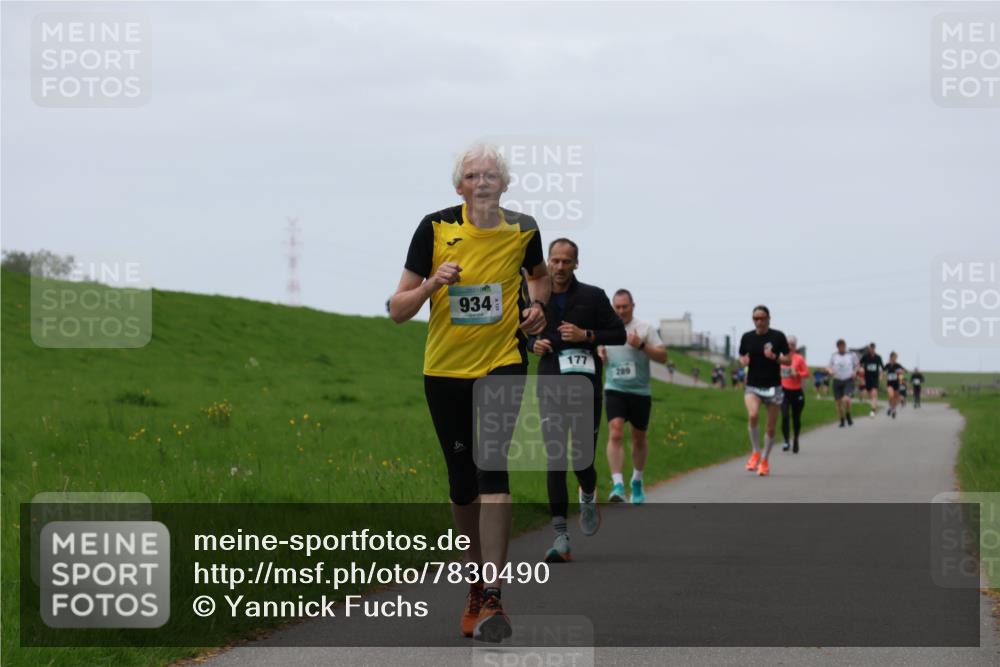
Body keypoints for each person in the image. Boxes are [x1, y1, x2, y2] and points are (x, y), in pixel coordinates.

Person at [389, 143, 550, 643]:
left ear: (505, 184)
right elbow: (397, 309)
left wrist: (537, 308)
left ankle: (496, 595)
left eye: (491, 175)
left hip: (502, 364)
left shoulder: (523, 229)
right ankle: (475, 587)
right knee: (462, 483)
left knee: (494, 469)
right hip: (445, 371)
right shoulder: (434, 227)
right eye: (473, 176)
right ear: (459, 186)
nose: (482, 183)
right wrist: (433, 283)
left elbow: (540, 279)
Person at [529, 238, 625, 563]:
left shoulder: (593, 296)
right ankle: (560, 537)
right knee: (555, 458)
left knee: (581, 461)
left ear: (576, 264)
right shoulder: (534, 298)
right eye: (554, 261)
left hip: (585, 388)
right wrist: (533, 345)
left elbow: (619, 334)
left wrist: (588, 336)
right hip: (550, 386)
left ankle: (587, 493)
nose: (558, 267)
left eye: (565, 261)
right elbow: (517, 331)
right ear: (547, 261)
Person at [598, 289, 668, 504]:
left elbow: (663, 357)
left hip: (639, 391)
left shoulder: (645, 328)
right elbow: (598, 349)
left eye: (624, 307)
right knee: (616, 432)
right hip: (614, 388)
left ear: (632, 306)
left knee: (638, 438)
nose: (621, 311)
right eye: (617, 307)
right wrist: (599, 353)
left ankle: (637, 480)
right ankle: (617, 484)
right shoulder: (606, 328)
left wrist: (642, 345)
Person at [738, 305, 791, 477]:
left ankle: (765, 460)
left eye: (762, 318)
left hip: (773, 387)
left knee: (770, 427)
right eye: (756, 318)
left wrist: (775, 358)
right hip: (753, 385)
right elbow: (742, 356)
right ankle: (755, 452)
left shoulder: (778, 336)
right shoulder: (747, 337)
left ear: (769, 318)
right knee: (753, 415)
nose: (759, 321)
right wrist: (743, 361)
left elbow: (788, 360)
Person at [780, 336, 810, 453]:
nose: (790, 346)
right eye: (788, 344)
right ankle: (786, 441)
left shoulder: (799, 359)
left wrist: (797, 373)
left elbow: (806, 373)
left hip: (797, 391)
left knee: (796, 418)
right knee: (785, 416)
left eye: (792, 344)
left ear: (795, 346)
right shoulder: (781, 358)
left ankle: (796, 439)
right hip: (784, 391)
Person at [827, 339, 859, 428]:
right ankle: (842, 420)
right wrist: (830, 371)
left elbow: (857, 365)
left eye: (843, 346)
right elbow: (829, 367)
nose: (842, 348)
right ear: (837, 347)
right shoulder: (834, 356)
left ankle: (848, 414)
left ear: (845, 346)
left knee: (846, 399)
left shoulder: (851, 355)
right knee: (838, 403)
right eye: (840, 346)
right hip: (837, 380)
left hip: (848, 380)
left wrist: (855, 372)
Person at [858, 342, 884, 417]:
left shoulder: (878, 357)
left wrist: (881, 375)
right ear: (869, 349)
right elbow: (859, 364)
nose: (872, 349)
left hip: (875, 378)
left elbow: (882, 368)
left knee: (874, 394)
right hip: (867, 378)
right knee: (870, 395)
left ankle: (873, 410)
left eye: (873, 348)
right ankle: (873, 407)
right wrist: (860, 370)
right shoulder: (865, 357)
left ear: (874, 348)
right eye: (870, 348)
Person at [883, 352, 906, 419]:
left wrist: (901, 374)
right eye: (893, 357)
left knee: (895, 398)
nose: (894, 359)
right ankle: (891, 408)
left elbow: (903, 372)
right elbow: (883, 372)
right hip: (889, 384)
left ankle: (893, 410)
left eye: (895, 357)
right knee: (891, 396)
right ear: (890, 357)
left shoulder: (898, 365)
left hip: (896, 384)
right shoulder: (887, 365)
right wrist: (883, 375)